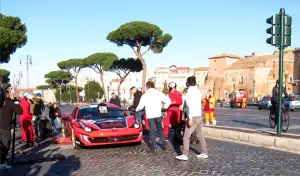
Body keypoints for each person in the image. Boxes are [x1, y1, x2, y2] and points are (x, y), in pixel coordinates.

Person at [176, 76, 207, 161]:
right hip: (199, 115)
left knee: (186, 136)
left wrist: (189, 118)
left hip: (193, 116)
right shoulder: (198, 91)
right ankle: (204, 152)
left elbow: (189, 106)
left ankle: (185, 154)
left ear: (188, 83)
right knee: (200, 134)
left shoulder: (189, 92)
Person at [135, 81, 171, 153]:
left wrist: (136, 109)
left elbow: (140, 106)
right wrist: (164, 107)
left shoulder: (145, 95)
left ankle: (154, 147)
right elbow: (168, 101)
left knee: (151, 131)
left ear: (147, 87)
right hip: (158, 114)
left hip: (150, 115)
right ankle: (165, 144)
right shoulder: (159, 93)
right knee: (160, 130)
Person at [0, 89, 22, 169]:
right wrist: (16, 102)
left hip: (4, 127)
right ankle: (1, 163)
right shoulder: (9, 103)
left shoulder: (8, 103)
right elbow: (20, 111)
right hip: (5, 128)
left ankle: (2, 160)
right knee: (5, 146)